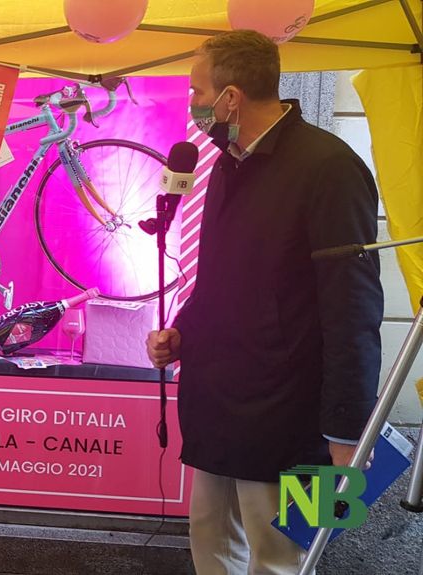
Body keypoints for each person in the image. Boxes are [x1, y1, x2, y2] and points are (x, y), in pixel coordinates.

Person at [146, 30, 383, 573]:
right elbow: (221, 279)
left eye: (197, 91)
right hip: (217, 407)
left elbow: (353, 306)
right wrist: (183, 333)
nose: (192, 104)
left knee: (279, 558)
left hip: (288, 420)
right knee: (211, 543)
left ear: (231, 98)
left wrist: (348, 429)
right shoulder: (226, 163)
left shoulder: (329, 167)